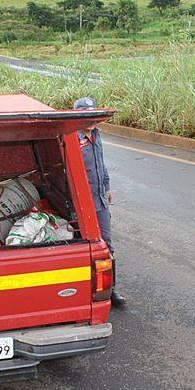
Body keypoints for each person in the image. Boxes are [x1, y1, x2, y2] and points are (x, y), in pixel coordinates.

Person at [73, 97, 125, 308]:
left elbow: (101, 164)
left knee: (106, 245)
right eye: (87, 114)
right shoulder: (72, 138)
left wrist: (107, 187)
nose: (91, 119)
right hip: (81, 203)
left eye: (94, 114)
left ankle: (110, 290)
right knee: (81, 247)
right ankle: (82, 291)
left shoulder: (96, 134)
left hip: (100, 199)